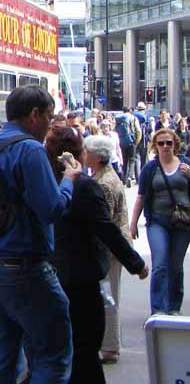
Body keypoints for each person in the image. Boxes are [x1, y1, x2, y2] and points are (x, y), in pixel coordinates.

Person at [0, 85, 79, 383]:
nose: (50, 123)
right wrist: (69, 180)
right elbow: (52, 209)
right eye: (48, 116)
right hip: (23, 269)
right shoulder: (30, 150)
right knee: (52, 358)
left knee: (2, 361)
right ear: (34, 115)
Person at [46, 128, 148, 383]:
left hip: (48, 272)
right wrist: (135, 264)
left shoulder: (43, 181)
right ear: (77, 154)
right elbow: (106, 228)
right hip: (81, 275)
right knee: (85, 344)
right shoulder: (84, 186)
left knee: (58, 346)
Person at [85, 134, 134, 364]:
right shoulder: (105, 176)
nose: (84, 155)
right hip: (112, 247)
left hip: (109, 250)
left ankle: (110, 346)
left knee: (108, 297)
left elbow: (103, 222)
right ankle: (109, 344)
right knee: (109, 296)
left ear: (96, 156)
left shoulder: (103, 183)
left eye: (87, 151)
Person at [130, 129, 190, 314]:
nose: (165, 147)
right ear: (155, 146)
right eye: (161, 143)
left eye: (169, 143)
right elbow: (140, 197)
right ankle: (158, 308)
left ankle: (173, 307)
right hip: (158, 221)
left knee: (176, 266)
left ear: (175, 145)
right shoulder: (150, 168)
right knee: (161, 264)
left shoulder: (185, 165)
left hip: (183, 223)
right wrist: (133, 223)